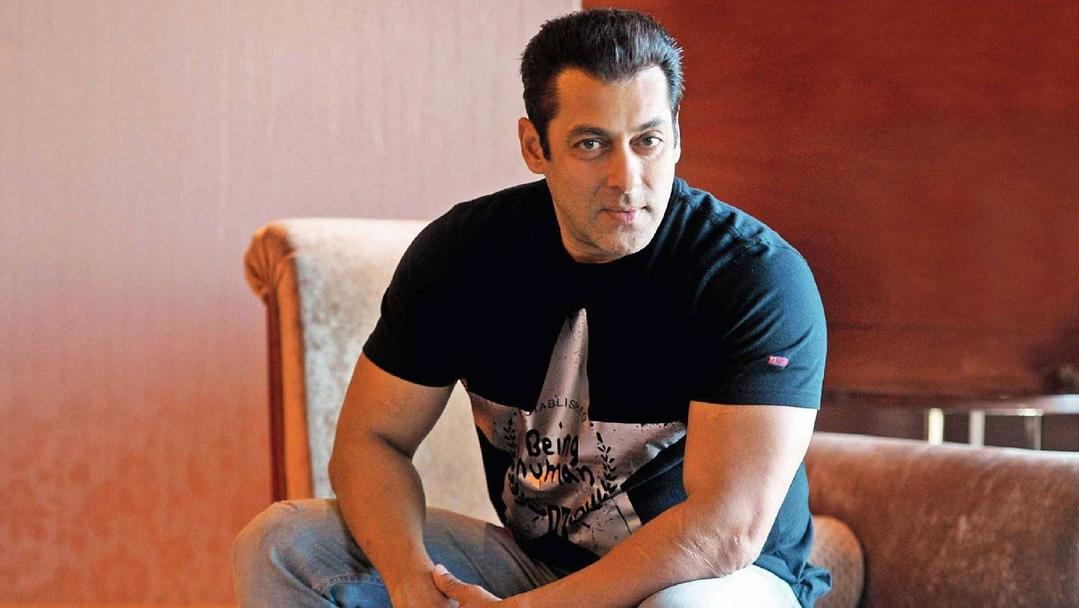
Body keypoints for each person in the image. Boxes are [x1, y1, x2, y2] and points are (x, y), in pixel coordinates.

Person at [233, 8, 830, 608]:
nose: (627, 178)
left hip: (714, 580)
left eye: (647, 141)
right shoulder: (464, 254)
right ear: (533, 146)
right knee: (284, 544)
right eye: (591, 144)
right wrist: (411, 582)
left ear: (675, 133)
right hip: (537, 567)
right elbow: (372, 439)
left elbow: (724, 533)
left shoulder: (752, 275)